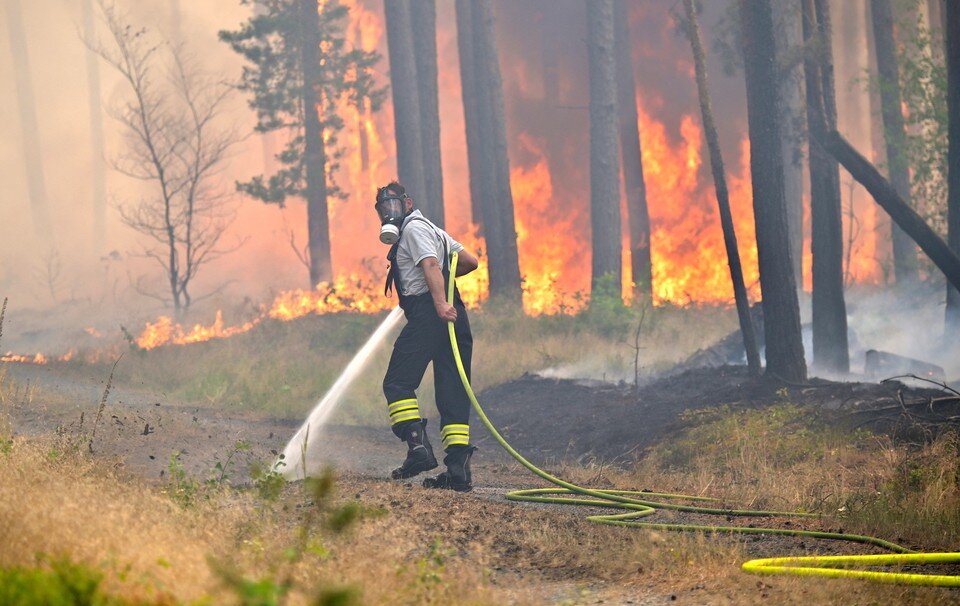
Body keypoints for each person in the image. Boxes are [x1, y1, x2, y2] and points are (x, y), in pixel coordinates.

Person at [374, 181, 481, 492]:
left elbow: (431, 264)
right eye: (384, 208)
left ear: (408, 203)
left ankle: (417, 449)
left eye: (394, 204)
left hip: (431, 314)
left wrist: (438, 300)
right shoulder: (433, 229)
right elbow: (470, 261)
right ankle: (458, 472)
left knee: (397, 383)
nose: (389, 212)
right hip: (454, 317)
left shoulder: (414, 229)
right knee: (453, 392)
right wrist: (446, 291)